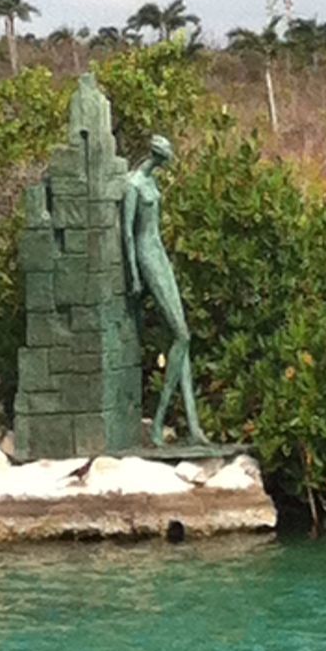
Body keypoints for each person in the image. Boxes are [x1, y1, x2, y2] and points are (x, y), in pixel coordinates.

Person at [123, 134, 208, 446]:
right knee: (182, 336)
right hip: (147, 258)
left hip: (160, 254)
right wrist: (134, 275)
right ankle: (158, 425)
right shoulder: (132, 186)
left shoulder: (151, 183)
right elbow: (128, 234)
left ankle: (194, 427)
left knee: (181, 338)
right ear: (155, 156)